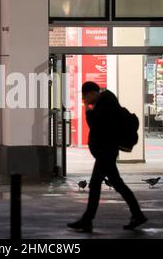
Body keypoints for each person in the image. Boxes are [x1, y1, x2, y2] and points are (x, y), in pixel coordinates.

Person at [67, 82, 147, 232]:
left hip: (106, 152)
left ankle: (87, 220)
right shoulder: (105, 102)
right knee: (116, 184)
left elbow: (97, 126)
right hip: (106, 152)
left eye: (85, 96)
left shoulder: (106, 104)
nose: (84, 99)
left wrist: (87, 111)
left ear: (92, 93)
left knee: (97, 185)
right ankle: (137, 214)